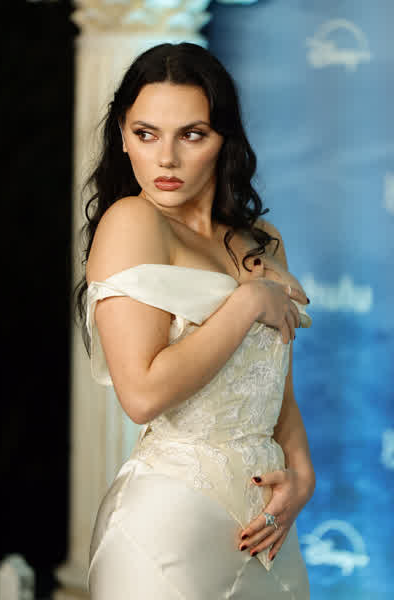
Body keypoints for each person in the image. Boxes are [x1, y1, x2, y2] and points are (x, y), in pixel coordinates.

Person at [74, 42, 316, 599]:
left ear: (224, 137)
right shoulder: (132, 221)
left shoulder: (263, 241)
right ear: (122, 134)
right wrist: (246, 304)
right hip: (169, 524)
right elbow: (142, 395)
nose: (166, 159)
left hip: (266, 526)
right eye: (146, 133)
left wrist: (302, 474)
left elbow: (276, 389)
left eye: (192, 134)